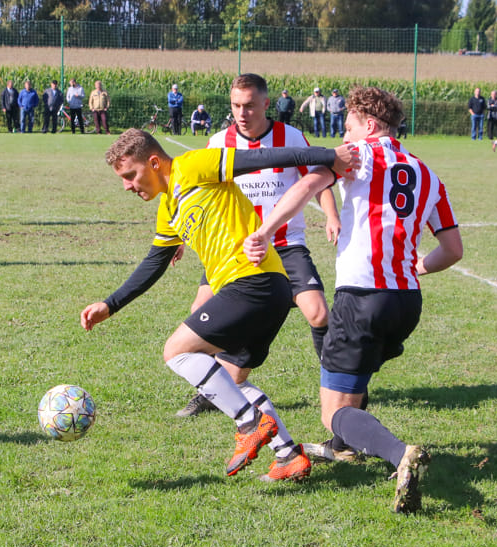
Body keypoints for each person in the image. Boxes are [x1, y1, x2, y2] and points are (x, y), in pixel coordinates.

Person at [79, 128, 356, 482]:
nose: (128, 186)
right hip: (262, 291)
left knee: (176, 351)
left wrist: (328, 156)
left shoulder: (194, 165)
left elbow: (266, 158)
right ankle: (288, 456)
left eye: (130, 175)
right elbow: (154, 263)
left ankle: (250, 422)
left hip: (253, 283)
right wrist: (109, 304)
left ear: (153, 162)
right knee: (225, 383)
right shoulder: (169, 208)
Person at [244, 86, 464, 513]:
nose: (343, 138)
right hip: (406, 302)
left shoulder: (357, 157)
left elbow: (307, 187)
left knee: (332, 411)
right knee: (353, 381)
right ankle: (344, 447)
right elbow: (453, 249)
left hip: (362, 296)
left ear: (369, 125)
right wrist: (418, 267)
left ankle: (400, 455)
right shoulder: (427, 173)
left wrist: (266, 231)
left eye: (348, 128)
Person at [176, 73, 340, 423]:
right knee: (200, 310)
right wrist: (179, 241)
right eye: (236, 105)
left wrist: (331, 216)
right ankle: (208, 392)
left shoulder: (291, 137)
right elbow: (197, 195)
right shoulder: (219, 141)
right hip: (232, 250)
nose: (242, 112)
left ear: (266, 104)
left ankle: (336, 380)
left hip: (285, 244)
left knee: (318, 313)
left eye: (249, 105)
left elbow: (320, 175)